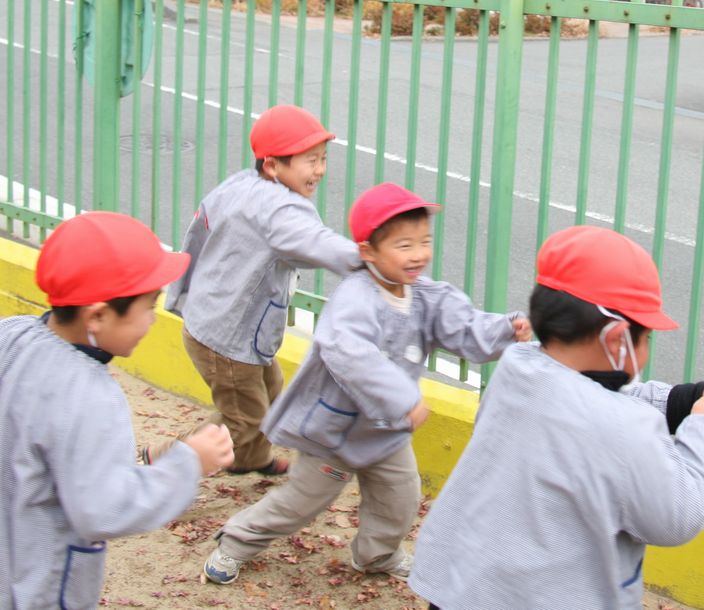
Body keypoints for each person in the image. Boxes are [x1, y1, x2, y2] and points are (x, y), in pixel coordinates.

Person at [201, 182, 532, 585]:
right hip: (335, 434)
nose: (419, 254)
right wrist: (401, 398)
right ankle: (236, 541)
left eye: (424, 242)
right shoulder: (356, 298)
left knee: (399, 501)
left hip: (387, 435)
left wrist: (503, 330)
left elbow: (463, 326)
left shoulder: (426, 297)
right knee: (300, 503)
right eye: (404, 245)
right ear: (367, 252)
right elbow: (348, 352)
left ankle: (376, 555)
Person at [0, 212, 234, 610]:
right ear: (98, 316)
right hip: (18, 587)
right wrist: (188, 464)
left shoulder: (8, 333)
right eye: (148, 306)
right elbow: (104, 508)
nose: (154, 319)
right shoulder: (90, 395)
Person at [409, 225, 704, 610]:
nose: (644, 350)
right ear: (617, 339)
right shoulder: (622, 427)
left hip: (463, 586)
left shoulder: (519, 368)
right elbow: (678, 514)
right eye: (645, 339)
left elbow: (595, 401)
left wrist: (681, 401)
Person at [161, 104, 362, 476]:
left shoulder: (241, 184)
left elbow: (199, 231)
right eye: (309, 160)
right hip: (228, 338)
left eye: (322, 158)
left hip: (215, 321)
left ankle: (251, 458)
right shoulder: (280, 211)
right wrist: (369, 258)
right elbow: (315, 243)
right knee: (245, 419)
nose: (319, 170)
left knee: (268, 389)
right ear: (272, 165)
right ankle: (163, 461)